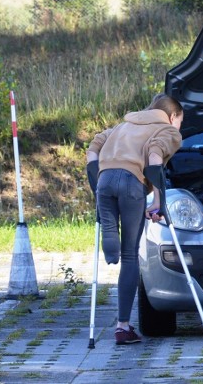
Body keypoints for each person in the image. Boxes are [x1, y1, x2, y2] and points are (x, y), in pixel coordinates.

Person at [85, 93, 184, 345]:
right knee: (129, 256)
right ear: (172, 116)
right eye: (180, 121)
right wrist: (157, 202)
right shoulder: (167, 130)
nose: (179, 127)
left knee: (112, 225)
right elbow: (154, 157)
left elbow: (93, 148)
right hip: (133, 183)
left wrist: (96, 184)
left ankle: (110, 234)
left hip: (105, 182)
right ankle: (122, 327)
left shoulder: (122, 126)